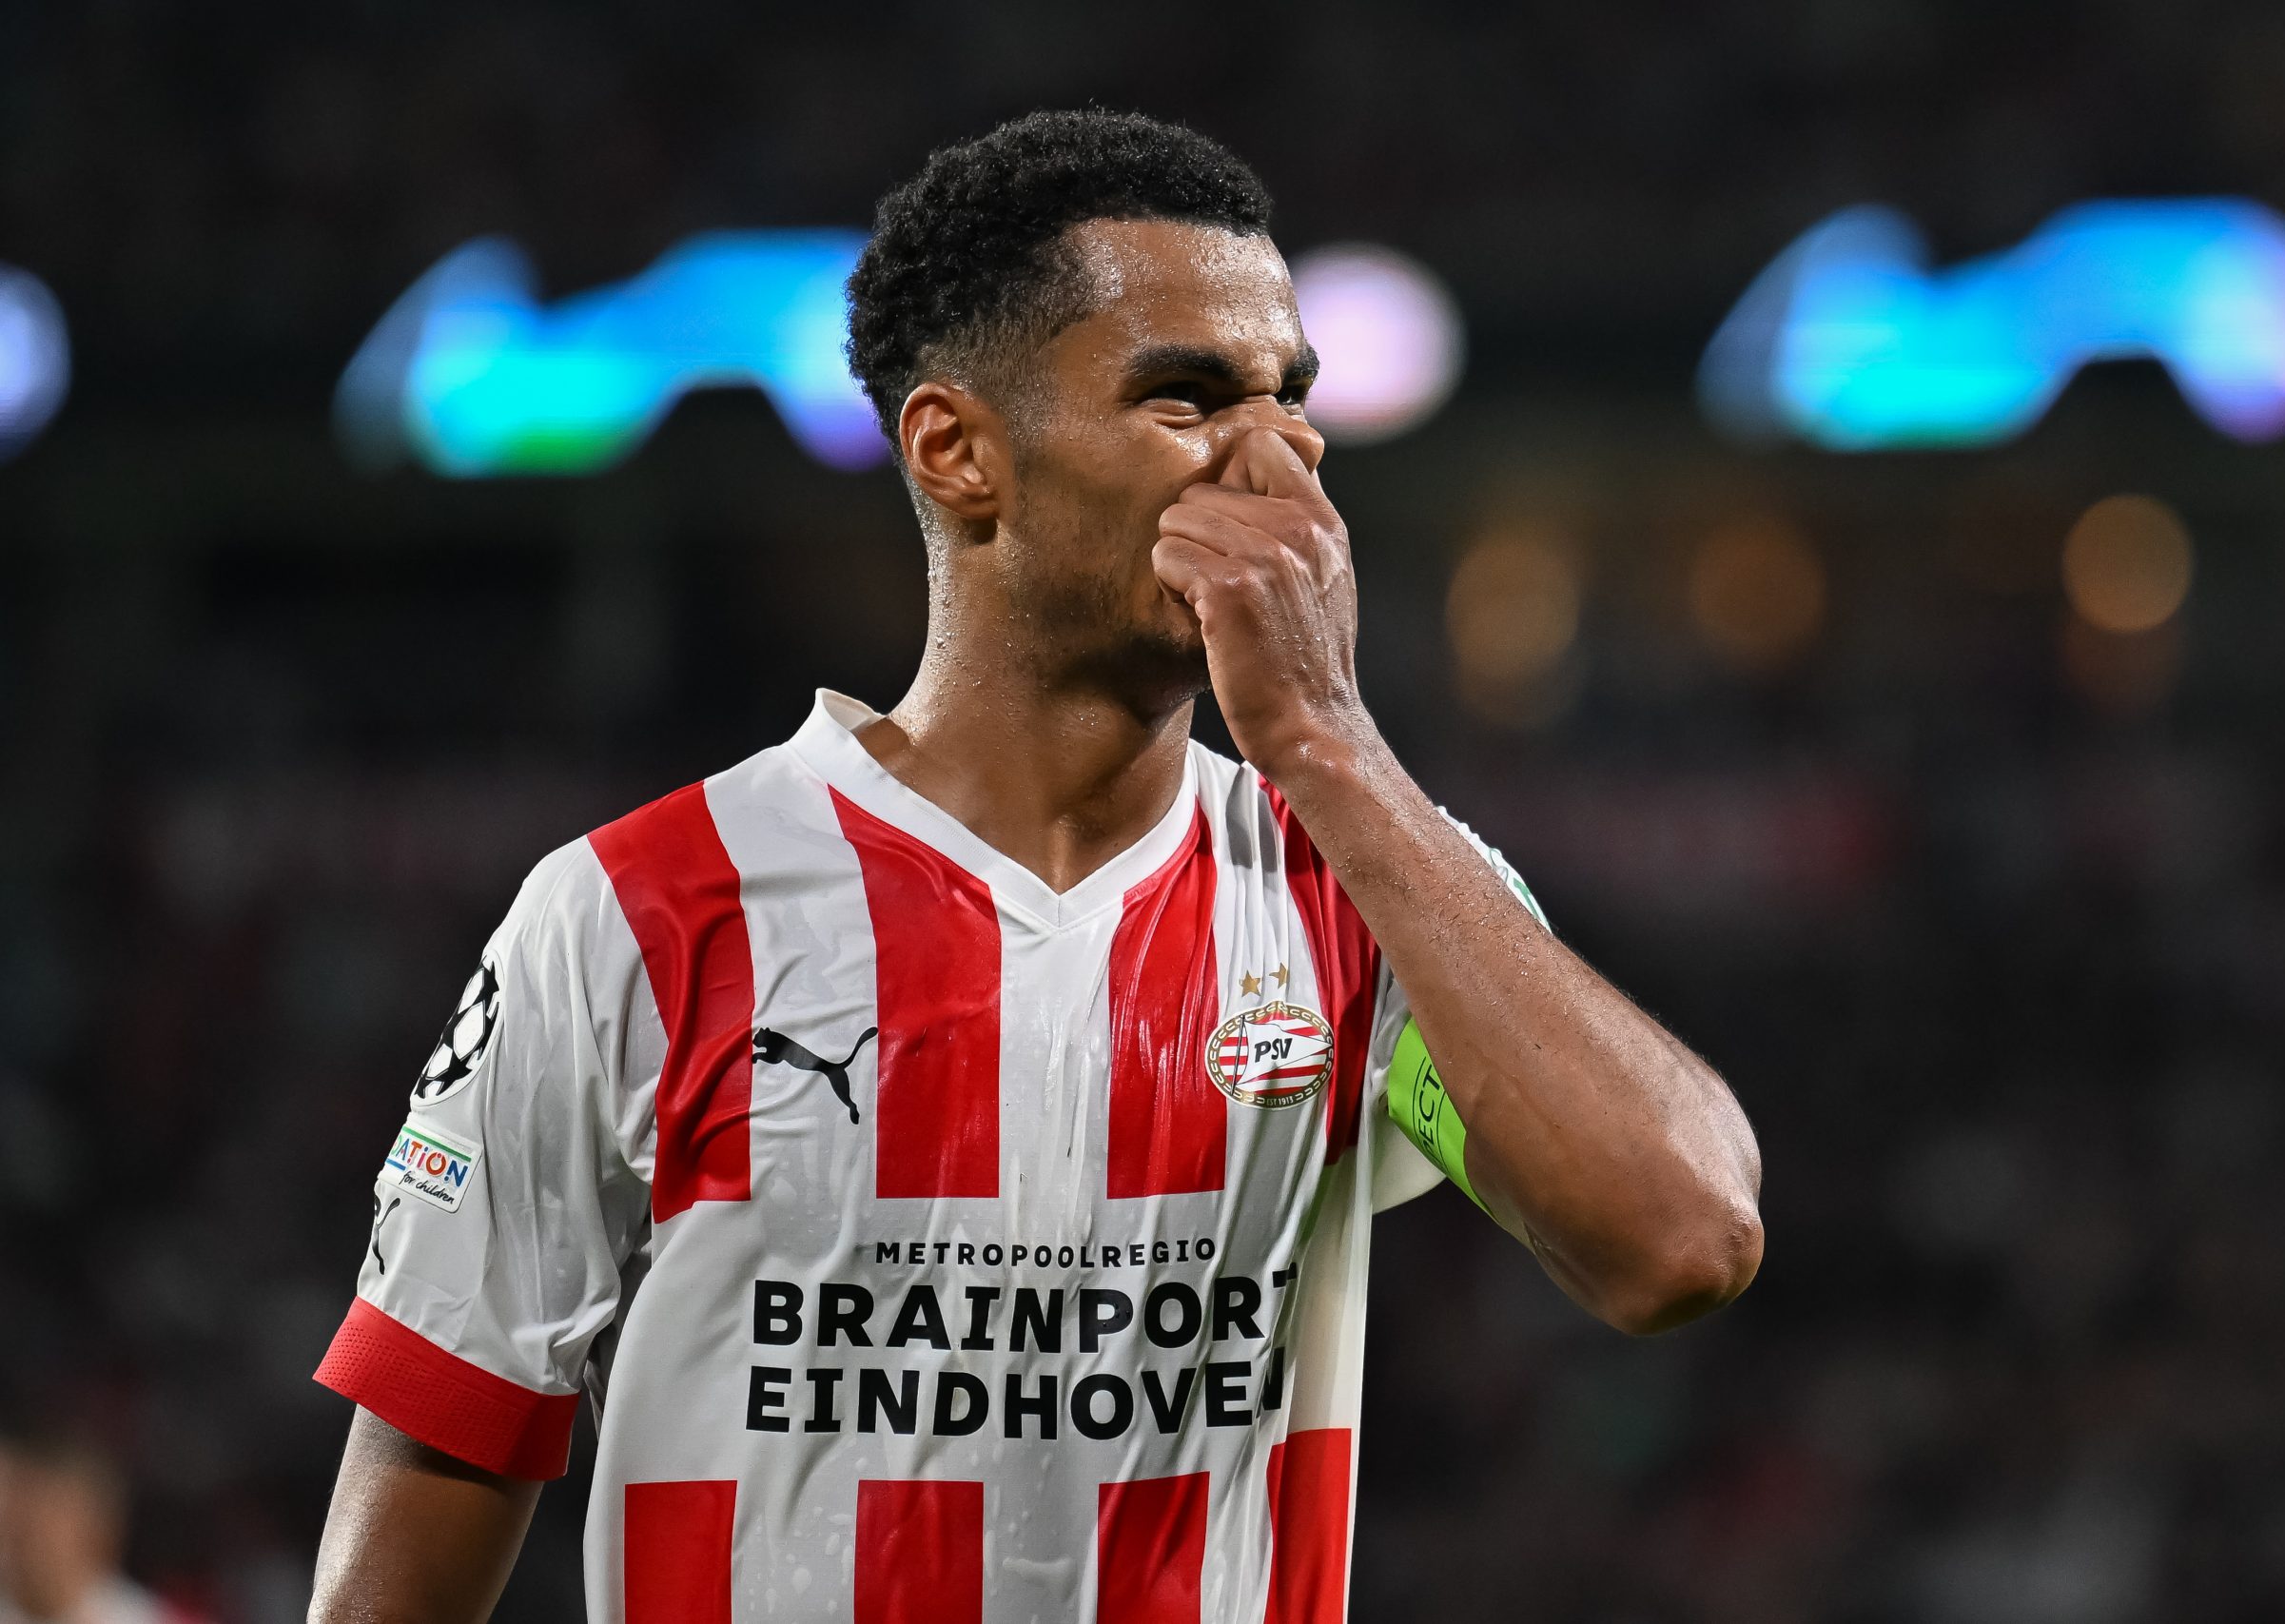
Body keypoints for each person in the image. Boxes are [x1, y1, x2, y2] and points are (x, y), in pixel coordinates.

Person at [306, 108, 1764, 1623]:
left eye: (1293, 399)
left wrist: (1326, 746)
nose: (1279, 458)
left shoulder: (1363, 878)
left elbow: (1680, 1240)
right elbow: (438, 1461)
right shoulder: (637, 908)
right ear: (958, 451)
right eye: (1188, 398)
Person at [0, 1438, 174, 1624]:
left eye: (54, 1518)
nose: (35, 1535)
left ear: (95, 1532)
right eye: (29, 1517)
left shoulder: (143, 1618)